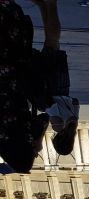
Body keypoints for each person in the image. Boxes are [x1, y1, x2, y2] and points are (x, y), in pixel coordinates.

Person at [1, 0, 75, 174]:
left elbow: (42, 120)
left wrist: (37, 142)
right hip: (8, 67)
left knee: (51, 42)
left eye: (33, 156)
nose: (37, 154)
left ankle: (46, 4)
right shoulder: (7, 137)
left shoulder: (24, 136)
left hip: (15, 66)